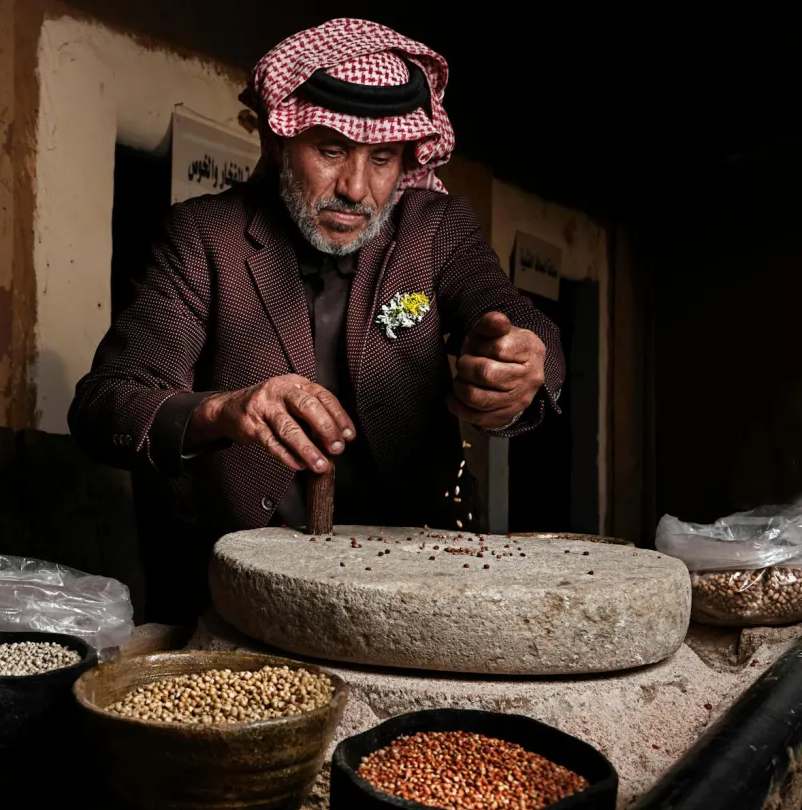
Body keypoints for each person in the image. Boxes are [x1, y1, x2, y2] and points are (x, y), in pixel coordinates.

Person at [69, 18, 565, 623]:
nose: (356, 188)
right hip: (236, 593)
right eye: (331, 151)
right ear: (280, 142)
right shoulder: (202, 237)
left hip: (417, 585)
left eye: (383, 159)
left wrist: (521, 357)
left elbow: (510, 314)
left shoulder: (437, 230)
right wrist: (220, 411)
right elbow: (105, 405)